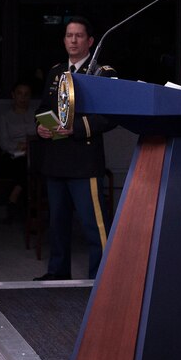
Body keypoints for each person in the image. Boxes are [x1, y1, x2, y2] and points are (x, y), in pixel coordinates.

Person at [33, 17, 114, 281]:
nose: (73, 40)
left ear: (90, 41)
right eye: (69, 35)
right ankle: (57, 273)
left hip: (83, 161)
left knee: (94, 226)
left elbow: (110, 116)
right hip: (56, 159)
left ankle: (100, 278)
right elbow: (43, 109)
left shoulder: (102, 73)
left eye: (79, 36)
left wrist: (76, 129)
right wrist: (40, 126)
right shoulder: (56, 72)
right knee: (57, 223)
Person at [0, 81, 36, 222]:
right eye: (20, 94)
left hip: (32, 154)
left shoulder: (36, 115)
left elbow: (42, 135)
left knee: (33, 165)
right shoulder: (6, 117)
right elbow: (3, 142)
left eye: (26, 94)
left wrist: (30, 145)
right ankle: (31, 214)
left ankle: (14, 196)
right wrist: (18, 146)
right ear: (13, 95)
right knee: (25, 166)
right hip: (13, 156)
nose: (23, 98)